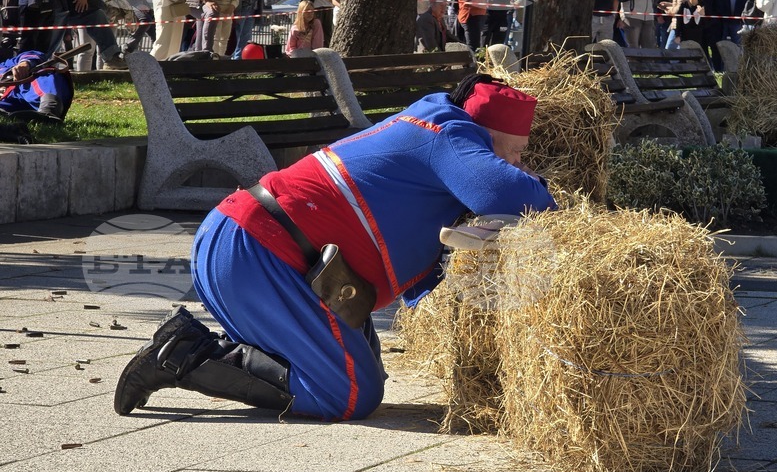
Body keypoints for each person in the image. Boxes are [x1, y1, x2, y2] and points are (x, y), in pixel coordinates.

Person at [114, 74, 557, 421]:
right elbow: (511, 193)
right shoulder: (450, 133)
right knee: (348, 395)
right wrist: (539, 186)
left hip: (262, 247)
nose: (519, 163)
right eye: (515, 152)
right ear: (486, 134)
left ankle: (233, 352)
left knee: (361, 372)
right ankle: (182, 354)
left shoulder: (438, 127)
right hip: (258, 251)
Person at [0, 49, 73, 121]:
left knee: (41, 74)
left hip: (29, 88)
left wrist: (25, 63)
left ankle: (49, 109)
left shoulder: (3, 66)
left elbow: (33, 54)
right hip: (6, 103)